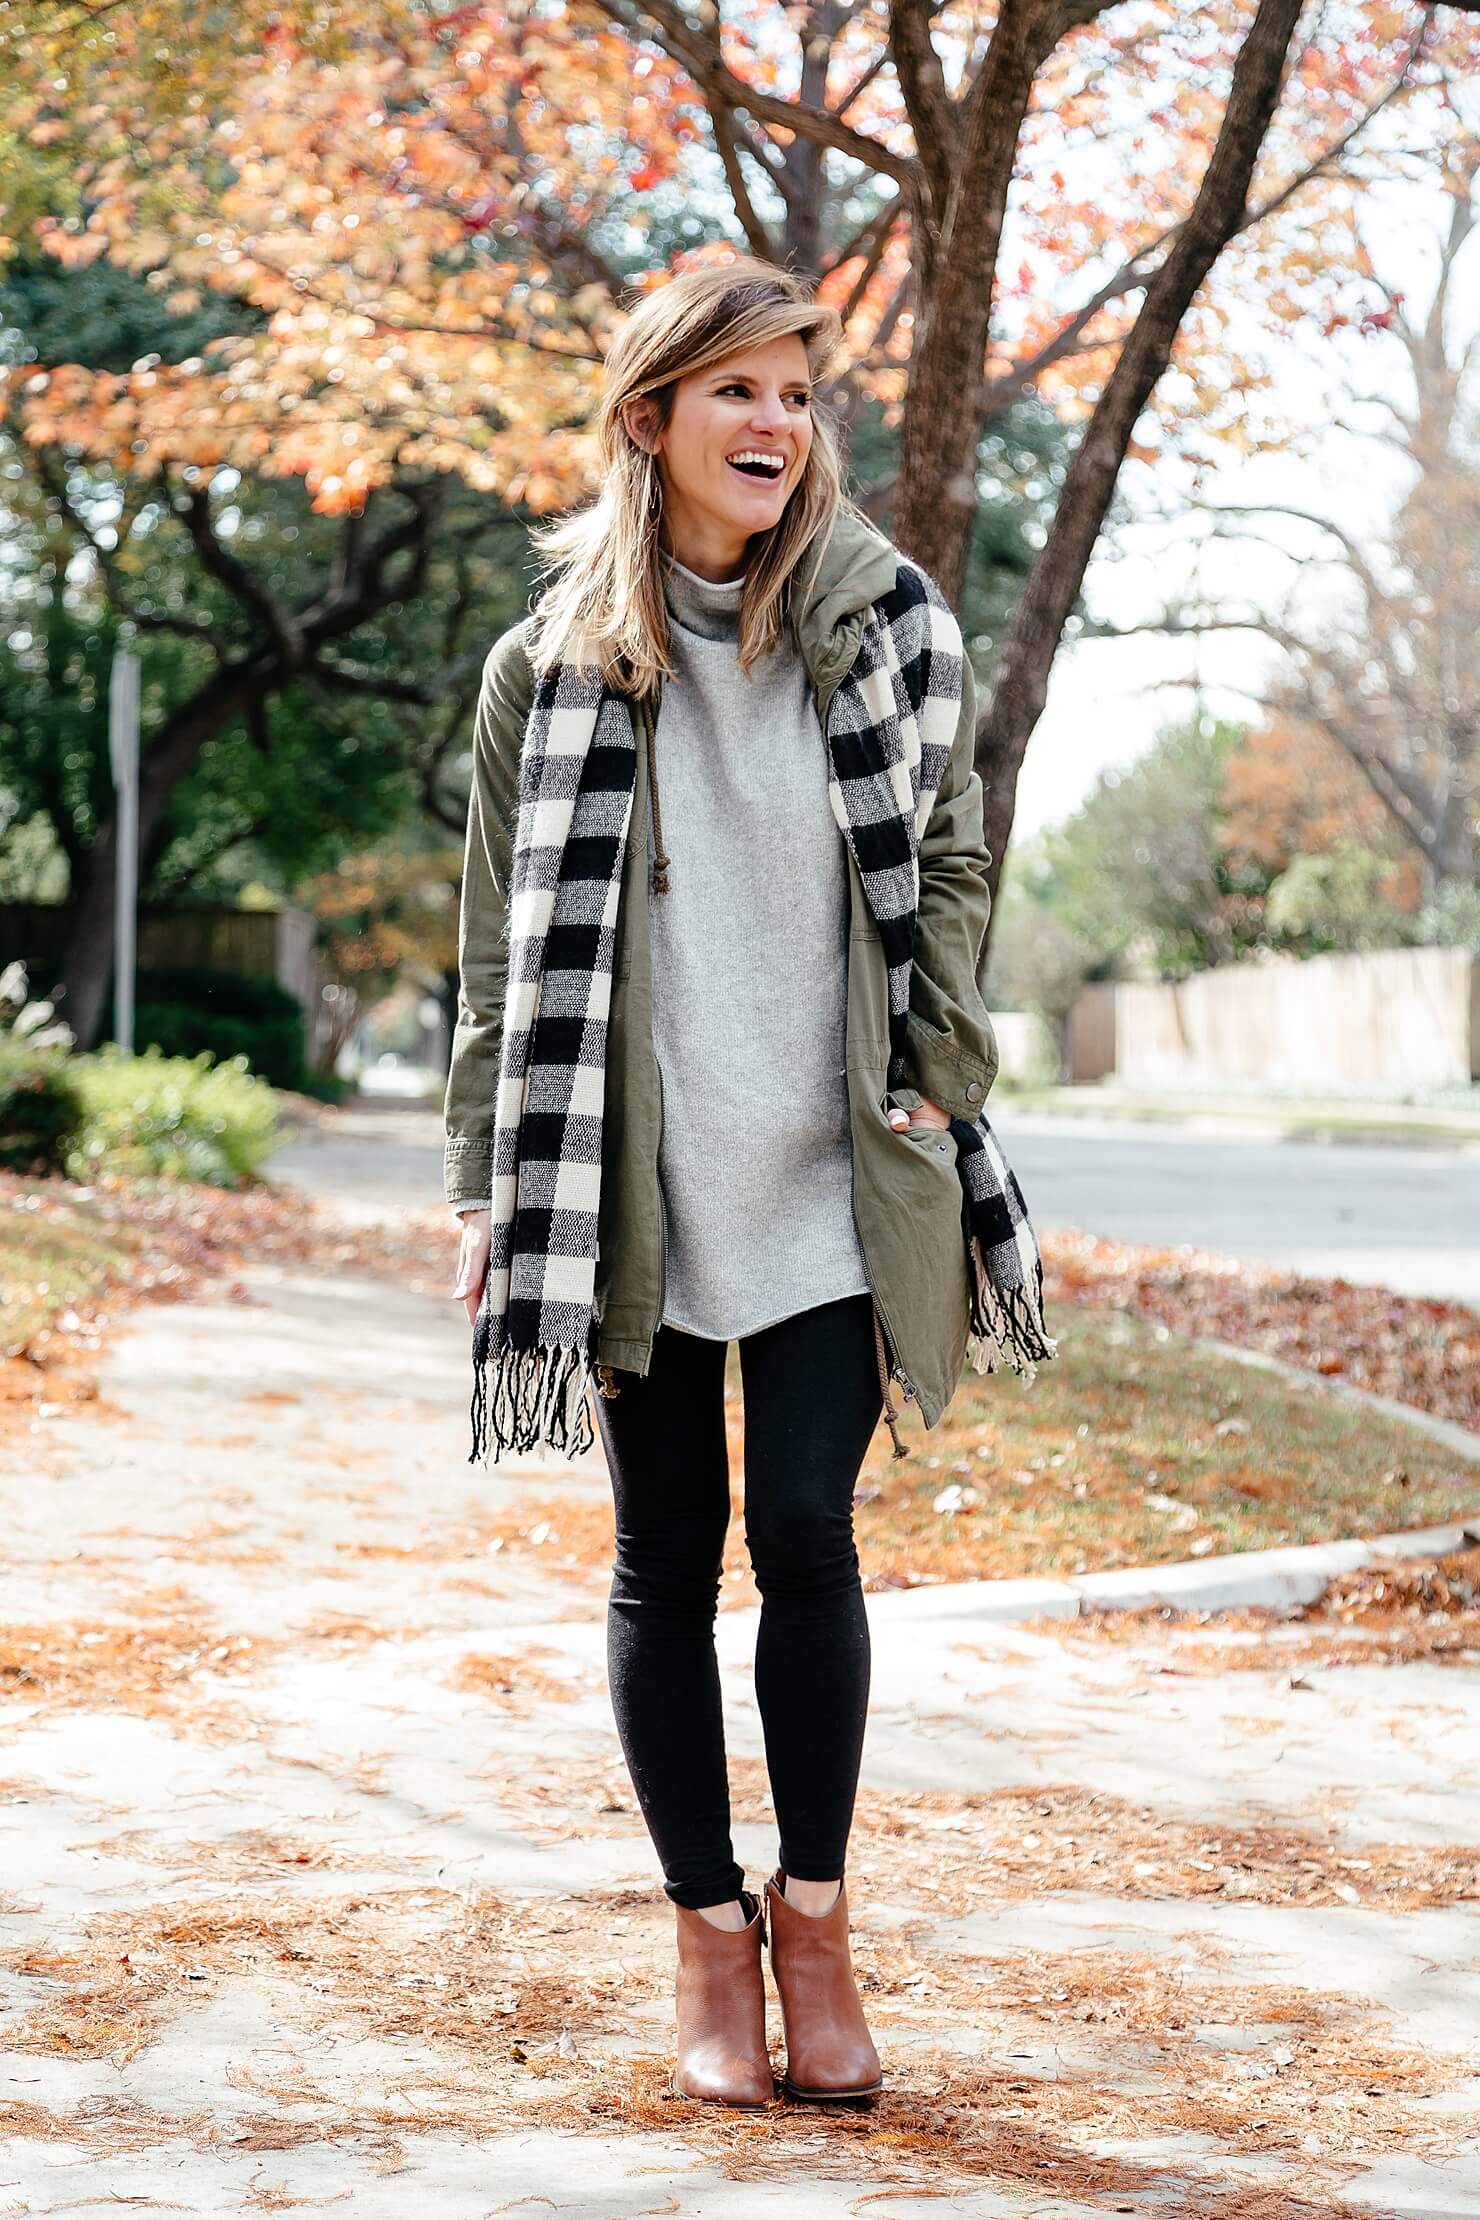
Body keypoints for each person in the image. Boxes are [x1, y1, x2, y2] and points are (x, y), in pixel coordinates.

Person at [443, 257, 1041, 2109]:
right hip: (630, 1171)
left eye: (797, 392)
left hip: (833, 1160)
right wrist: (488, 1185)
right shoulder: (543, 673)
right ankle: (705, 1934)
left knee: (808, 1531)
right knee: (658, 1556)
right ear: (650, 421)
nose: (779, 424)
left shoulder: (890, 625)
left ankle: (817, 1922)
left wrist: (938, 1074)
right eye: (738, 394)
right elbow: (494, 954)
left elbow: (952, 854)